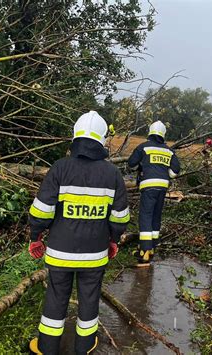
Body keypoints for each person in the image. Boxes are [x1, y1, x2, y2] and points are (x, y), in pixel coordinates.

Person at [28, 111, 129, 355]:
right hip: (95, 255)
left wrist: (35, 237)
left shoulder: (60, 168)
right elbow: (120, 217)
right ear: (103, 140)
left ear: (75, 136)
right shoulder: (112, 174)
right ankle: (84, 347)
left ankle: (46, 347)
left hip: (59, 253)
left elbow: (41, 212)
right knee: (90, 299)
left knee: (56, 297)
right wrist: (114, 241)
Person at [128, 121, 180, 267]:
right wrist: (165, 174)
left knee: (145, 216)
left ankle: (144, 252)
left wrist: (141, 165)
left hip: (148, 186)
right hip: (162, 187)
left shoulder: (143, 147)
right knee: (156, 216)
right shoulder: (169, 151)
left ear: (150, 132)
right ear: (163, 135)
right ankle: (151, 248)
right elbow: (175, 171)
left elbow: (131, 164)